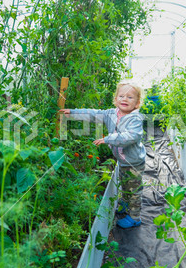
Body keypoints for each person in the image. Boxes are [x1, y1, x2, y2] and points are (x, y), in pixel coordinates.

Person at [59, 83, 146, 228]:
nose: (125, 99)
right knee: (125, 183)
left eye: (130, 97)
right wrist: (72, 112)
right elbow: (93, 114)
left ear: (137, 103)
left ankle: (135, 216)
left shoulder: (134, 119)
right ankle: (125, 203)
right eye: (121, 96)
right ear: (116, 99)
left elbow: (131, 137)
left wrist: (108, 139)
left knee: (134, 190)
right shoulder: (111, 114)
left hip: (133, 162)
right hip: (122, 161)